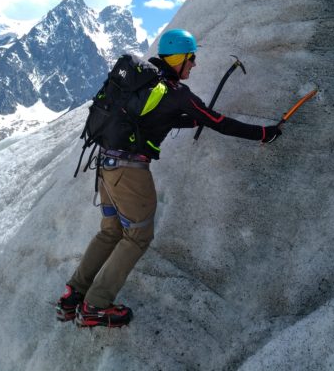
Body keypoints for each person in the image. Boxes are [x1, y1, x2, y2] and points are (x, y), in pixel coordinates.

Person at [56, 29, 282, 327]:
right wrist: (263, 134)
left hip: (106, 167)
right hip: (130, 174)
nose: (194, 65)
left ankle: (72, 296)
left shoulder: (146, 85)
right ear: (179, 59)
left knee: (111, 231)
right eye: (192, 59)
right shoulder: (176, 93)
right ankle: (96, 306)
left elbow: (164, 118)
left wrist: (196, 118)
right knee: (138, 237)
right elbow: (219, 123)